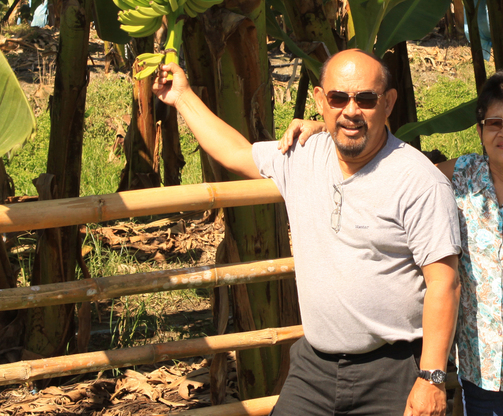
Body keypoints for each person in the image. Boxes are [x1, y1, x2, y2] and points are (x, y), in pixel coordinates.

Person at [153, 49, 461, 416]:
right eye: (338, 98)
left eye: (365, 99)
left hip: (394, 371)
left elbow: (444, 284)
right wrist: (182, 97)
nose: (351, 111)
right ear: (319, 100)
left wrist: (431, 377)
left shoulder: (418, 181)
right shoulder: (302, 154)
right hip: (313, 369)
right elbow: (235, 151)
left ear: (389, 102)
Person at [283, 70, 503, 416]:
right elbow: (395, 165)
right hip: (479, 371)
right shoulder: (459, 176)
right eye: (494, 123)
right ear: (480, 131)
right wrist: (330, 131)